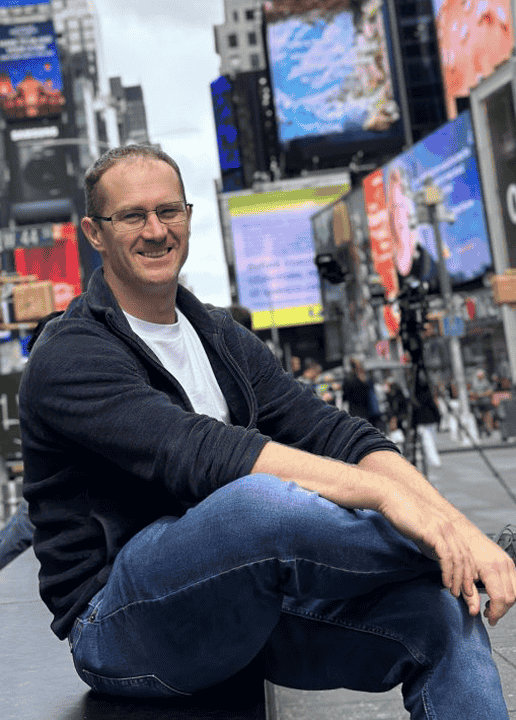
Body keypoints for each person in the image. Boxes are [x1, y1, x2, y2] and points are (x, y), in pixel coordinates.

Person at [18, 145, 516, 718]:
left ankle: (464, 556)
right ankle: (465, 554)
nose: (155, 230)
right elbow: (199, 454)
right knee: (256, 500)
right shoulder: (71, 352)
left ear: (187, 215)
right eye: (132, 216)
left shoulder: (219, 336)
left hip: (248, 607)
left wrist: (451, 523)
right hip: (120, 626)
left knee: (445, 615)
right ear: (95, 233)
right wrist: (399, 504)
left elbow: (336, 435)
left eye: (169, 211)